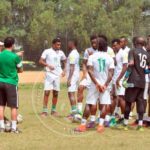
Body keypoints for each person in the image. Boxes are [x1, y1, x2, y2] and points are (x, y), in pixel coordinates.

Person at [75, 38, 114, 133]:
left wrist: (97, 84)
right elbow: (111, 73)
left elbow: (90, 71)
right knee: (104, 104)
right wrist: (104, 85)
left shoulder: (92, 57)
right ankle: (100, 126)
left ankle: (83, 125)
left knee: (89, 103)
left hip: (94, 85)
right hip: (105, 85)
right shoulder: (109, 58)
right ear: (105, 46)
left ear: (98, 46)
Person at [123, 37, 150, 131]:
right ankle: (140, 125)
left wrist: (125, 78)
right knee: (140, 103)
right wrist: (144, 71)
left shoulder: (132, 51)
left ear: (135, 43)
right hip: (142, 82)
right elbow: (148, 69)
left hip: (132, 81)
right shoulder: (146, 54)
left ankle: (125, 124)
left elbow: (130, 64)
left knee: (128, 102)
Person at [0, 37, 23, 133]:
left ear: (4, 45)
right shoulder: (15, 57)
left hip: (0, 82)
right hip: (11, 83)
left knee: (1, 105)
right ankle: (13, 128)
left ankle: (1, 127)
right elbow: (21, 70)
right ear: (12, 45)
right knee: (13, 106)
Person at [39, 38, 66, 117]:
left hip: (57, 75)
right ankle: (44, 111)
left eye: (60, 45)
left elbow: (65, 61)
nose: (59, 46)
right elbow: (40, 61)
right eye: (58, 44)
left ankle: (53, 110)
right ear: (53, 44)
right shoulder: (47, 51)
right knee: (47, 92)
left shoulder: (61, 52)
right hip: (49, 74)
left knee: (56, 92)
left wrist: (64, 70)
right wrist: (48, 65)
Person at [76, 35, 98, 116]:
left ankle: (98, 116)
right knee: (80, 87)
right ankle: (79, 111)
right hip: (88, 75)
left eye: (95, 42)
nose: (94, 44)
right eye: (92, 43)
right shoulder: (87, 50)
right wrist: (84, 74)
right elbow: (84, 63)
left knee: (98, 96)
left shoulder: (102, 50)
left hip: (98, 76)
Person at [111, 39, 128, 124]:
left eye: (115, 45)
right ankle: (113, 117)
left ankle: (124, 118)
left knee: (121, 98)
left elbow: (125, 67)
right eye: (113, 46)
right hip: (115, 79)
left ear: (119, 44)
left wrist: (119, 79)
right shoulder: (117, 54)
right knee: (114, 97)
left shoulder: (123, 53)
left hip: (120, 80)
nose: (114, 47)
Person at [66, 39, 80, 117]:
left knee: (71, 93)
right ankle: (74, 111)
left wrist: (69, 78)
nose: (68, 45)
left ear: (72, 43)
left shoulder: (72, 54)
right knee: (72, 93)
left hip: (73, 76)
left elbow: (72, 67)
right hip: (76, 75)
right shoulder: (76, 53)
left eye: (69, 43)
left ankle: (74, 112)